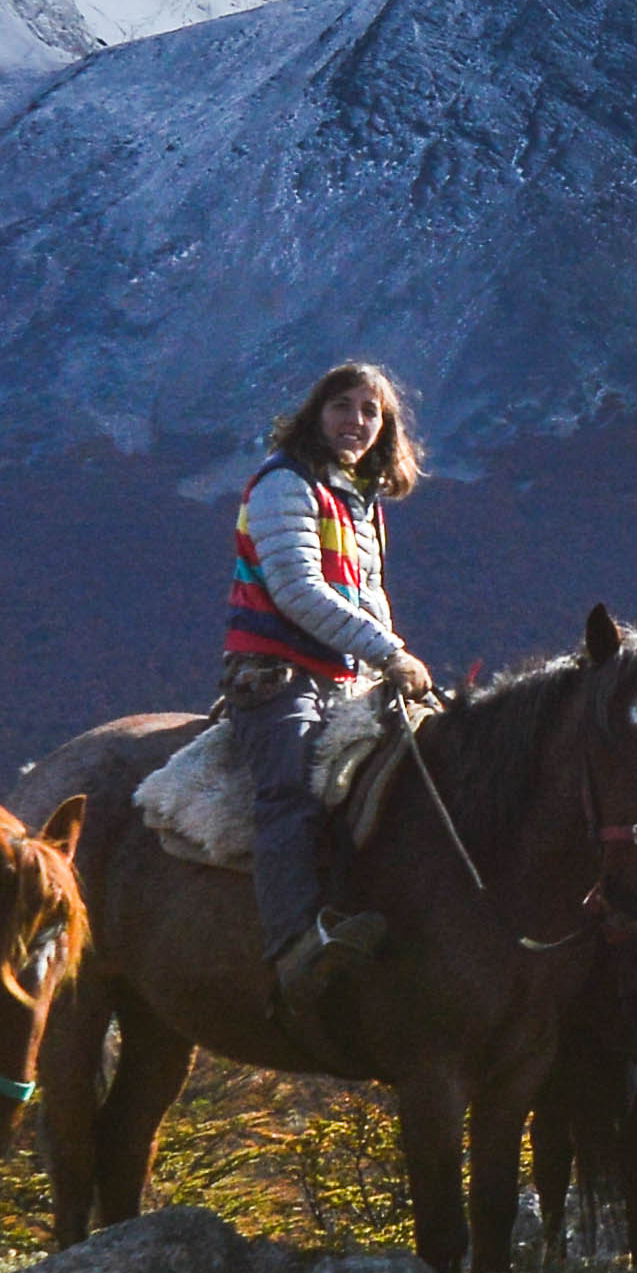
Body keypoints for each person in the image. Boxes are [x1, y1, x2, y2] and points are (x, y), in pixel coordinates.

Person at [224, 358, 435, 998]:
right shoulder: (283, 484)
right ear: (317, 413)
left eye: (371, 411)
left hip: (348, 677)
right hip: (275, 674)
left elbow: (369, 595)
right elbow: (295, 588)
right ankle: (295, 944)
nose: (357, 421)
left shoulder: (358, 497)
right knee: (290, 789)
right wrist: (390, 653)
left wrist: (386, 660)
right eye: (344, 406)